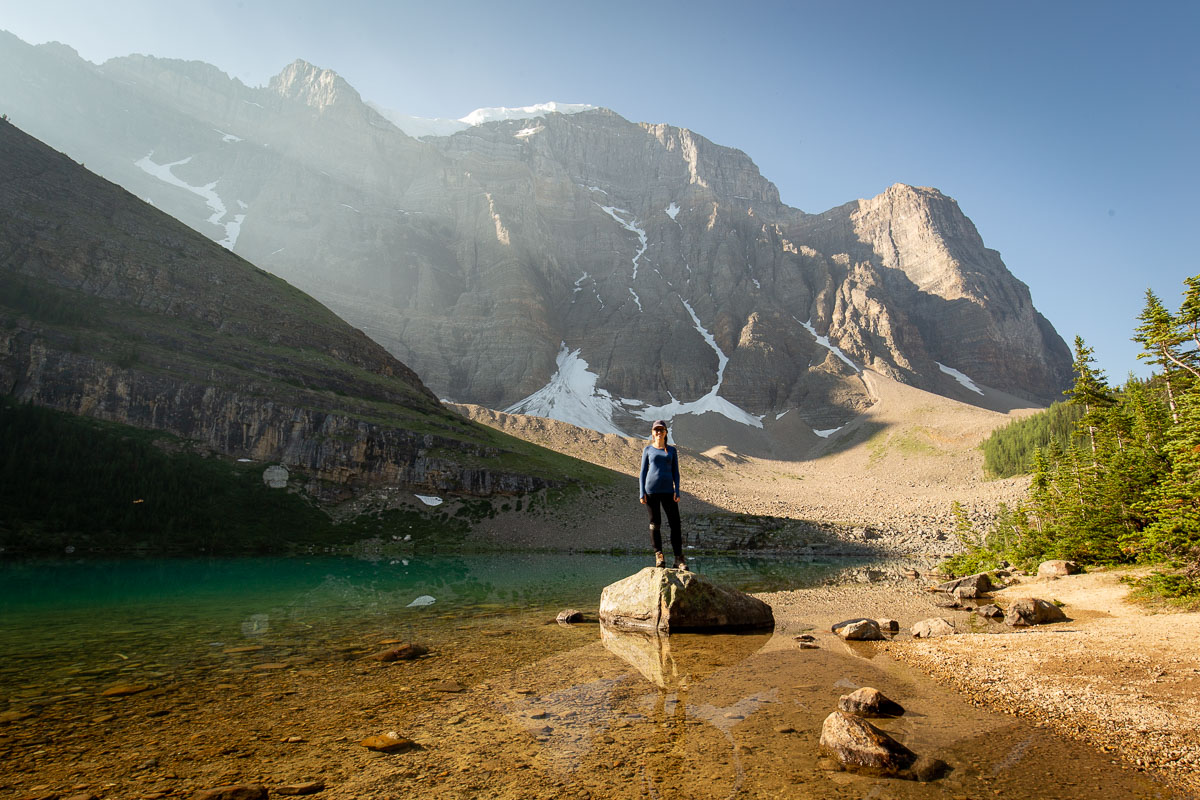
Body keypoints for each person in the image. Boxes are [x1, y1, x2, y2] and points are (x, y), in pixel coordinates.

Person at [639, 419, 686, 570]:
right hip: (651, 491)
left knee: (675, 524)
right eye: (656, 430)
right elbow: (643, 473)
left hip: (668, 492)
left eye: (661, 430)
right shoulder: (647, 450)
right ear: (652, 433)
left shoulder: (672, 450)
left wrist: (677, 490)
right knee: (655, 524)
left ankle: (678, 558)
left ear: (666, 433)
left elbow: (676, 472)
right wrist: (642, 492)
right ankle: (659, 556)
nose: (658, 432)